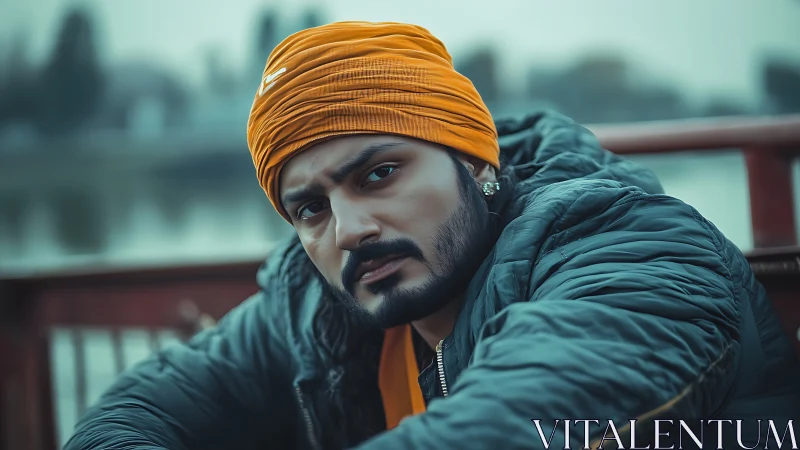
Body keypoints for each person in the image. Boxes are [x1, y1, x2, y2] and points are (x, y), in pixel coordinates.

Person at [65, 21, 800, 450]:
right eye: (309, 209)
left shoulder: (623, 244)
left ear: (476, 162)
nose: (348, 230)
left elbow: (519, 418)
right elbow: (143, 410)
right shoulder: (317, 309)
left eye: (379, 174)